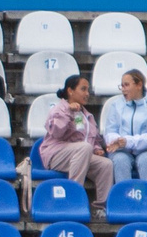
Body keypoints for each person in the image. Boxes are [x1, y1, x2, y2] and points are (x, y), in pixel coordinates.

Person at [38, 73, 114, 202]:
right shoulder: (59, 110)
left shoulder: (83, 113)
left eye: (88, 90)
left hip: (79, 155)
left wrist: (96, 148)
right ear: (70, 91)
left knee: (106, 164)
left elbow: (84, 137)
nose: (87, 93)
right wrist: (68, 112)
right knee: (84, 148)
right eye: (83, 89)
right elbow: (57, 133)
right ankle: (73, 197)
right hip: (55, 155)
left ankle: (103, 205)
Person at [101, 66, 147, 185]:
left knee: (145, 160)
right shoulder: (116, 104)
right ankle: (124, 199)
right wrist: (116, 141)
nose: (123, 89)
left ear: (139, 85)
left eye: (126, 85)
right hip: (121, 150)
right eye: (122, 86)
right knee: (120, 160)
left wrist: (127, 141)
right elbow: (110, 130)